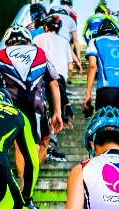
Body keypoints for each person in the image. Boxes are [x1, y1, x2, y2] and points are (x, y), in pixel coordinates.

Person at [0, 25, 63, 194]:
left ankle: (26, 184)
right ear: (28, 40)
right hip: (36, 106)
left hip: (10, 105)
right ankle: (27, 190)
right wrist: (58, 112)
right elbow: (54, 83)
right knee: (40, 145)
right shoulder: (40, 53)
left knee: (23, 146)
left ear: (8, 41)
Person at [34, 12, 80, 162]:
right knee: (56, 112)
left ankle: (37, 142)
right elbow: (71, 67)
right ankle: (49, 146)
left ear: (45, 27)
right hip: (59, 79)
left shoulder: (38, 38)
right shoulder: (64, 41)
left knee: (41, 110)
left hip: (40, 78)